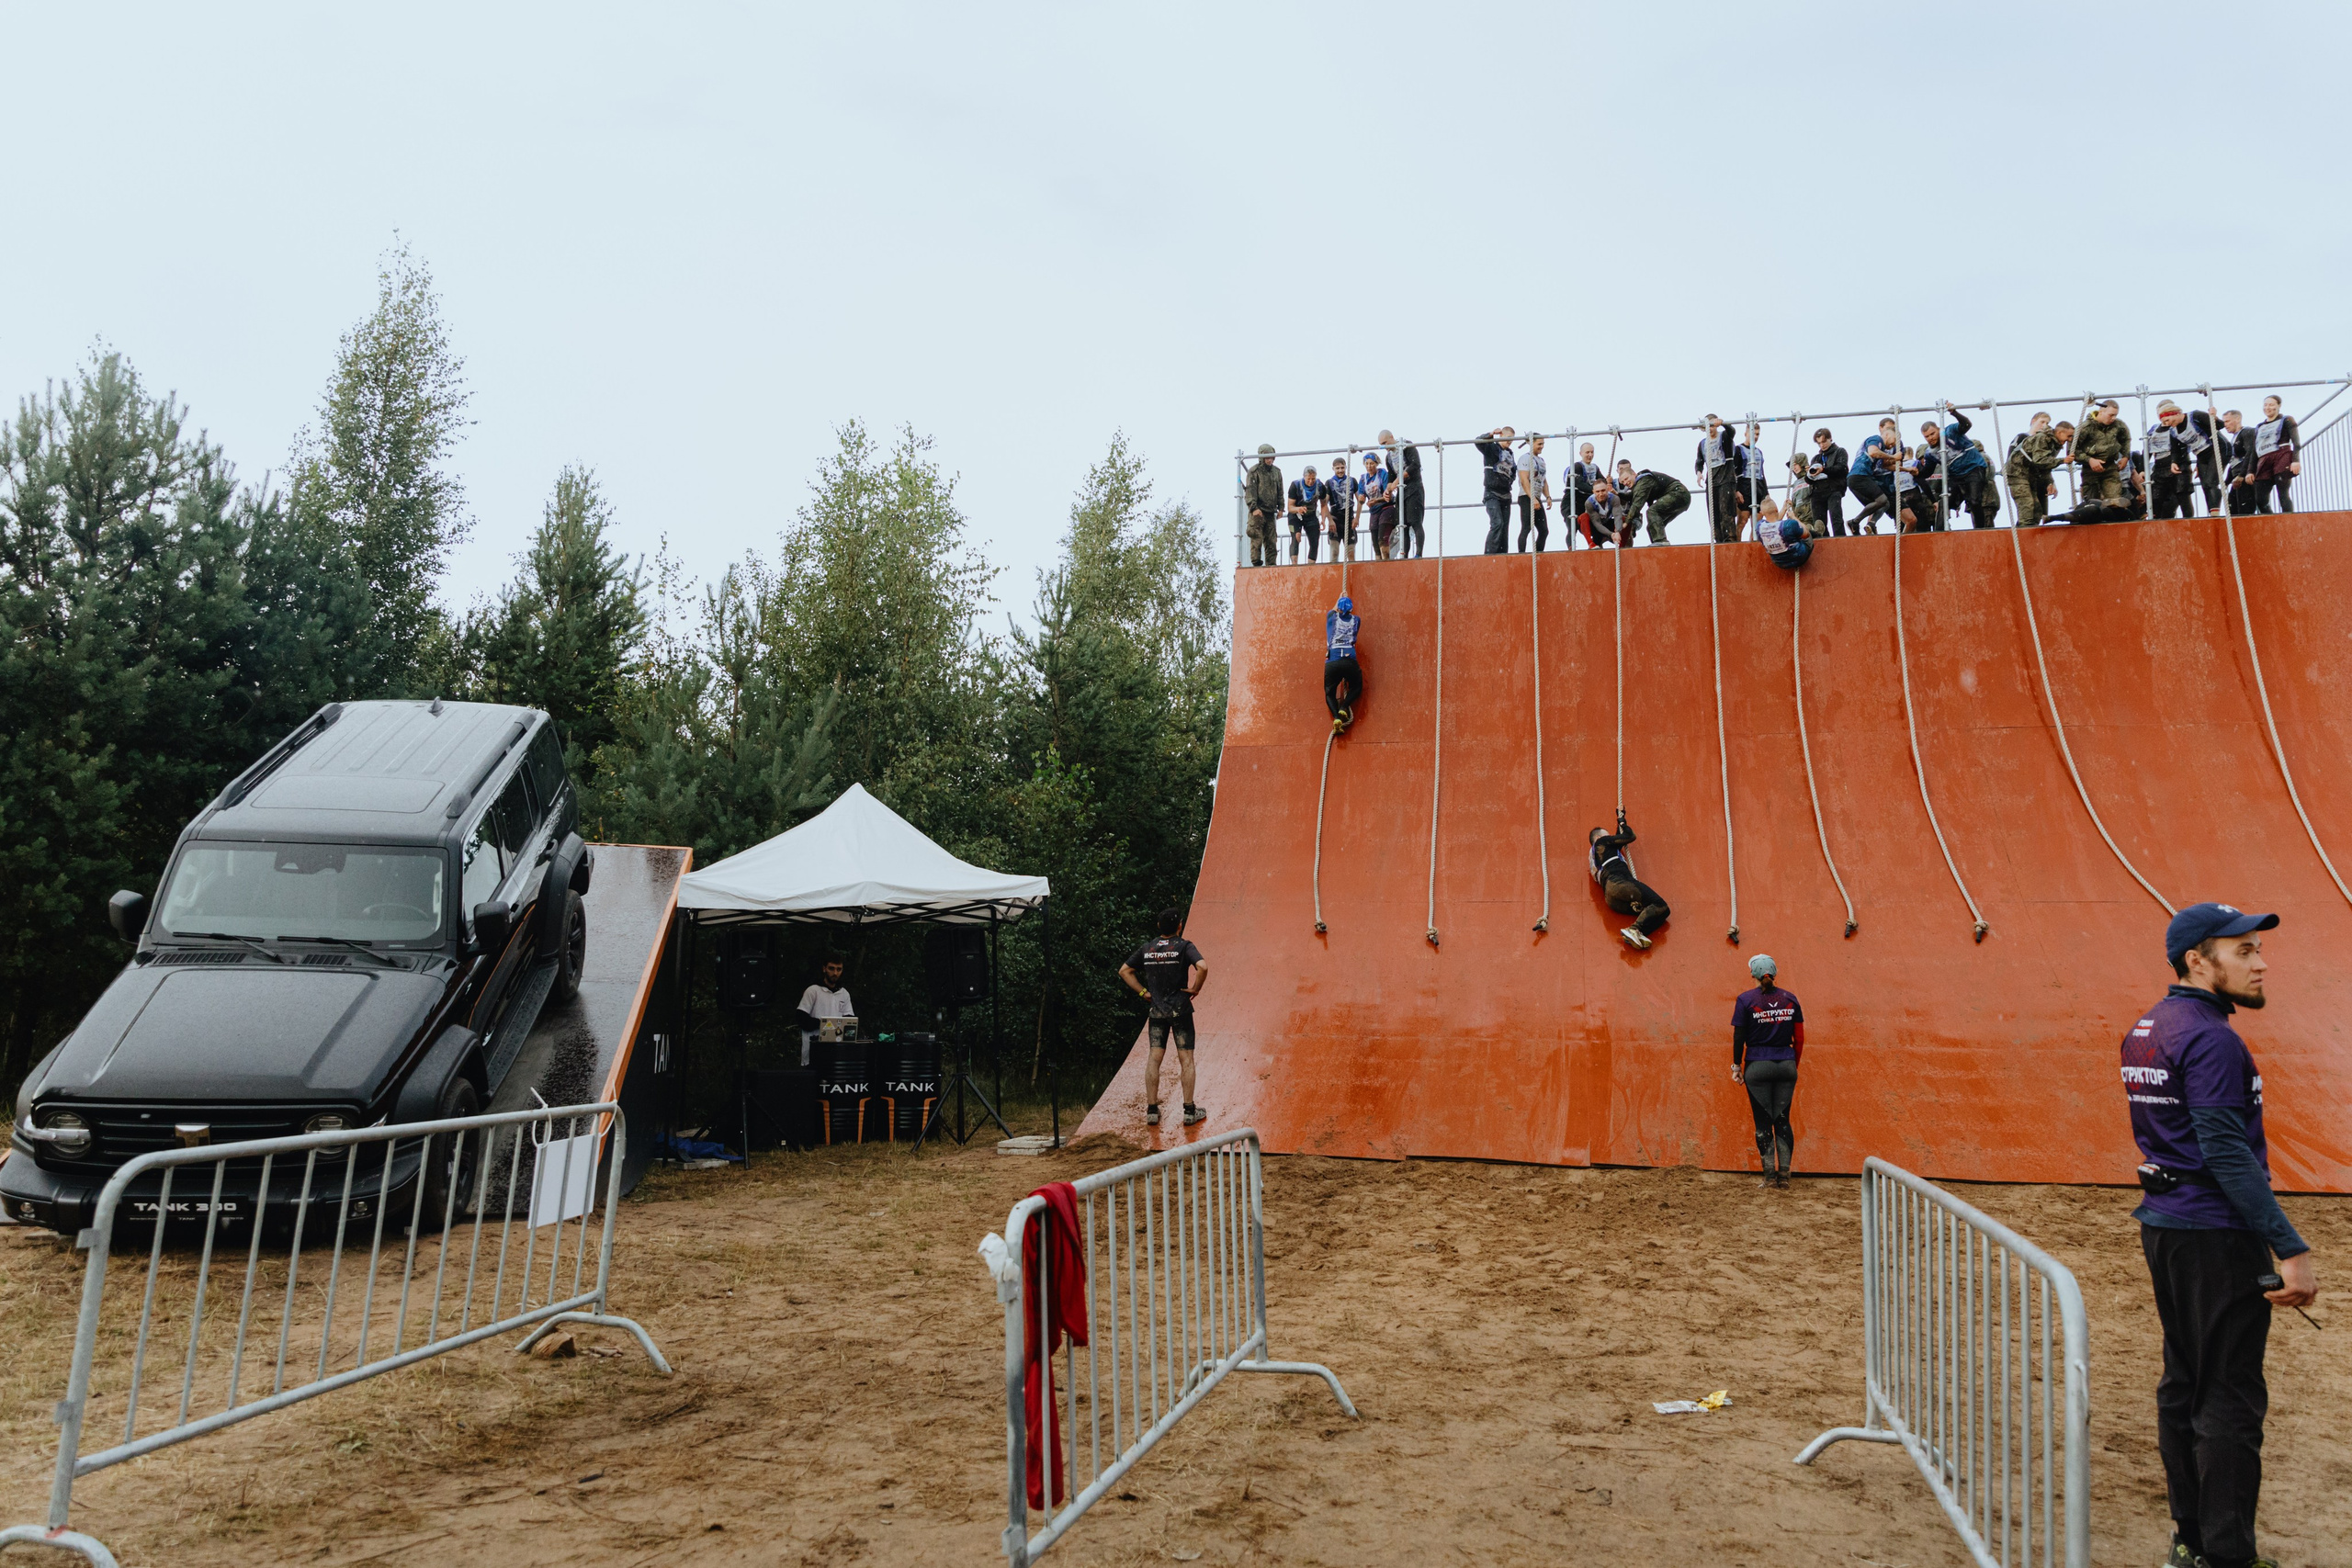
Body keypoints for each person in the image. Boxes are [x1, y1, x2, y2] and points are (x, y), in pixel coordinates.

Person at [2123, 902, 2318, 1568]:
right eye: (2243, 951)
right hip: (2215, 1235)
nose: (2261, 963)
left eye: (2260, 948)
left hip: (2168, 1227)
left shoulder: (2150, 1026)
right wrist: (2289, 1246)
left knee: (2184, 1382)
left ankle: (2192, 1539)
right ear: (2197, 961)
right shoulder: (2212, 1039)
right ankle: (2228, 1554)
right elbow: (2225, 1150)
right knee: (2227, 1396)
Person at [1119, 906, 1209, 1127]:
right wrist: (1196, 989)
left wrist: (1143, 993)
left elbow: (1124, 971)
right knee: (1186, 1059)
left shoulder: (1148, 948)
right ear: (1179, 926)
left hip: (1157, 1011)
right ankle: (1189, 1111)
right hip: (1181, 1010)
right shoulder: (1184, 946)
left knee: (1154, 1057)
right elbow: (1203, 967)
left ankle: (1152, 1110)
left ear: (1159, 926)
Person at [1730, 953, 1804, 1188]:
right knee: (1783, 1120)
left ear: (1752, 974)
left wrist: (1736, 1066)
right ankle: (1784, 1178)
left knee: (1763, 1123)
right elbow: (1800, 1039)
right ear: (1775, 972)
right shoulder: (1790, 999)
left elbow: (1739, 1037)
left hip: (1757, 1066)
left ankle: (1769, 1178)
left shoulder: (1745, 1000)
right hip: (1786, 1064)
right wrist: (1793, 1063)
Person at [1589, 810, 1669, 950]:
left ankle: (1636, 932)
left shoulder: (1596, 857)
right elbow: (1629, 836)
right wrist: (1622, 822)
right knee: (1660, 905)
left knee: (1656, 912)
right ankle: (1635, 929)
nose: (1611, 838)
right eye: (1608, 836)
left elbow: (1618, 842)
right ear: (1599, 838)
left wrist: (1620, 816)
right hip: (1620, 883)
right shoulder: (1601, 842)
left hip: (1611, 897)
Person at [1919, 404, 1997, 529]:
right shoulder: (1930, 453)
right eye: (1927, 437)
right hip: (1956, 476)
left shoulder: (1951, 431)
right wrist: (1915, 472)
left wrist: (1954, 412)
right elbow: (1927, 471)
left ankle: (1980, 530)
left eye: (1932, 434)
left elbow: (1967, 424)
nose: (1930, 438)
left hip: (1973, 468)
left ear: (1939, 429)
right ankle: (1939, 532)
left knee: (1974, 501)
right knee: (1944, 503)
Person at [2148, 400, 2219, 521]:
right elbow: (2147, 449)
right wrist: (2142, 469)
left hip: (2180, 465)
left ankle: (2190, 521)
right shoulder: (2154, 429)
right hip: (2160, 467)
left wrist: (2198, 460)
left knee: (2182, 495)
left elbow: (2194, 441)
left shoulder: (2179, 425)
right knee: (2157, 499)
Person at [2006, 413, 2073, 527]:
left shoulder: (2053, 444)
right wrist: (2063, 460)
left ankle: (2030, 534)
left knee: (2037, 511)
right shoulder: (2042, 438)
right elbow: (2040, 461)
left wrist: (2049, 482)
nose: (2069, 440)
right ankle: (2023, 537)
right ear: (2060, 433)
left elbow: (2044, 467)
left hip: (2030, 475)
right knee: (2027, 507)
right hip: (2018, 474)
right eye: (2069, 436)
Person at [794, 952, 855, 1068]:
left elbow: (849, 1022)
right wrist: (826, 1025)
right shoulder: (813, 991)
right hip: (813, 1054)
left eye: (839, 969)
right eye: (831, 969)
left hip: (836, 1055)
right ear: (824, 969)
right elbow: (801, 1019)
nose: (835, 973)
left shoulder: (844, 994)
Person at [1848, 418, 1903, 533]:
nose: (1893, 445)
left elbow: (1885, 466)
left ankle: (1869, 523)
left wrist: (1907, 468)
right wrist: (1893, 457)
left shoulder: (1881, 449)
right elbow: (1873, 452)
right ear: (1886, 434)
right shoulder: (1876, 439)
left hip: (1857, 479)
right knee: (1882, 500)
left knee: (1884, 503)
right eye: (1894, 440)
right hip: (1859, 476)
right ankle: (1855, 521)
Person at [2249, 395, 2301, 514]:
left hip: (2282, 455)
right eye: (2265, 405)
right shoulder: (2259, 427)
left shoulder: (2287, 420)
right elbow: (2254, 451)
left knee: (2282, 492)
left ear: (2278, 406)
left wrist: (2295, 460)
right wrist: (2250, 471)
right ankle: (2270, 519)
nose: (2268, 408)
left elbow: (2296, 443)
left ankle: (2289, 519)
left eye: (2271, 405)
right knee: (2261, 499)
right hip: (2264, 459)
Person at [1619, 460, 1691, 545]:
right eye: (1623, 482)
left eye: (1626, 479)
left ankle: (1661, 541)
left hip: (1678, 494)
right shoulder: (1639, 484)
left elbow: (1637, 504)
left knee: (1652, 511)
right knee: (1652, 527)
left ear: (1634, 474)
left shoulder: (1644, 480)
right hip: (1680, 498)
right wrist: (1616, 494)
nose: (1625, 483)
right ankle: (1658, 546)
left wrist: (1626, 522)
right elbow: (1632, 496)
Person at [2075, 400, 2132, 507]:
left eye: (2115, 415)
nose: (2113, 418)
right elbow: (2073, 451)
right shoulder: (2085, 427)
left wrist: (2125, 456)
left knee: (2115, 503)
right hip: (2090, 470)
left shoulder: (2119, 426)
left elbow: (2126, 440)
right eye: (2111, 415)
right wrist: (2090, 460)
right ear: (2101, 412)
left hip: (2110, 467)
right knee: (2091, 504)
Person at [1695, 414, 1739, 543]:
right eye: (1708, 426)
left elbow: (1732, 431)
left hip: (1726, 477)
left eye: (1712, 426)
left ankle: (1729, 539)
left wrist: (1723, 423)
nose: (1710, 429)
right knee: (1713, 514)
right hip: (1712, 480)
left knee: (1726, 511)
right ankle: (1718, 540)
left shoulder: (1724, 436)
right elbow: (1699, 461)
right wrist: (1699, 472)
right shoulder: (1703, 444)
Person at [1383, 430, 1427, 558]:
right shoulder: (1388, 457)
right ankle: (1405, 556)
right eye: (1382, 444)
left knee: (1415, 522)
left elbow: (1415, 466)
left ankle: (1418, 553)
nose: (1385, 447)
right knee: (1403, 526)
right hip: (1402, 493)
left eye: (1386, 443)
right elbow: (1391, 477)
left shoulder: (1407, 446)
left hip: (1414, 488)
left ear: (1392, 437)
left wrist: (1397, 480)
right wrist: (1388, 490)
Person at [1324, 593, 1362, 733]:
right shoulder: (1356, 620)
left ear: (1338, 609)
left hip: (1333, 661)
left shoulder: (1331, 617)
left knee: (1329, 693)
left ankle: (1336, 718)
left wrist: (1339, 598)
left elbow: (1334, 611)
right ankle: (1344, 707)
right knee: (1357, 686)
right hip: (1349, 660)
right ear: (1351, 610)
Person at [1476, 426, 1519, 554]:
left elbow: (1513, 471)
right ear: (1501, 436)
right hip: (1492, 493)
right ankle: (1489, 555)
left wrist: (1510, 481)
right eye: (1508, 438)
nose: (1510, 442)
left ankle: (1502, 555)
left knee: (1505, 528)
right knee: (1497, 523)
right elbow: (1478, 442)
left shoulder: (1510, 454)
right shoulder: (1492, 448)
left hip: (1506, 494)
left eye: (1512, 440)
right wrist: (1490, 434)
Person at [1807, 427, 1851, 538]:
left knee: (1836, 518)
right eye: (1819, 443)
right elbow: (1808, 480)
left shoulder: (1840, 451)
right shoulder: (1816, 458)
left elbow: (1842, 468)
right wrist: (1808, 473)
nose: (1822, 445)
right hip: (1817, 492)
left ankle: (1840, 541)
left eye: (1823, 441)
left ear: (1830, 439)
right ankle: (1824, 542)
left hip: (1834, 489)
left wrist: (1824, 469)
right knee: (1819, 522)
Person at [1244, 445, 1283, 568]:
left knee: (1271, 540)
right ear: (1261, 457)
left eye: (1272, 457)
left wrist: (1281, 507)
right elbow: (1250, 491)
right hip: (1258, 511)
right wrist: (1254, 508)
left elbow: (1280, 490)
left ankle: (1271, 564)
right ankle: (1256, 564)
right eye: (1267, 457)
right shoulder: (1254, 471)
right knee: (1257, 538)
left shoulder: (1277, 472)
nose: (1270, 460)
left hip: (1270, 512)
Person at [2219, 410, 2260, 515]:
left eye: (2228, 421)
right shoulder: (2234, 438)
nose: (2225, 425)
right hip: (2236, 478)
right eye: (2224, 422)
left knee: (2245, 509)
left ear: (2238, 419)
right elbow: (2234, 462)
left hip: (2245, 477)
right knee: (2233, 509)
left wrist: (2242, 475)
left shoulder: (2247, 432)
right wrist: (2227, 481)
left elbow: (2250, 453)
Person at [1753, 496, 1812, 570]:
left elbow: (1774, 524)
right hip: (1799, 557)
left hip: (1778, 562)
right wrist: (1794, 517)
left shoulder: (1759, 527)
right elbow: (1806, 534)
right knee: (1806, 532)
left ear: (1762, 513)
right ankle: (1816, 532)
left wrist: (1784, 508)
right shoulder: (1789, 524)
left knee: (1791, 533)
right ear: (1776, 509)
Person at [1517, 432, 1552, 552]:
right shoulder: (1525, 458)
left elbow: (1544, 481)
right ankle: (1521, 554)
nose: (1542, 446)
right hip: (1526, 497)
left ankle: (1538, 553)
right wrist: (1532, 498)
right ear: (1531, 443)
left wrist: (1548, 497)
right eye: (1539, 444)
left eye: (1543, 444)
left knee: (1544, 530)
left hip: (1537, 497)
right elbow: (1524, 480)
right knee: (1527, 527)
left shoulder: (1541, 460)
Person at [1360, 451, 1397, 559]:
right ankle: (1378, 564)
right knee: (1375, 542)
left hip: (1386, 507)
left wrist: (1376, 500)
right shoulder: (1363, 479)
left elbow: (1388, 495)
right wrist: (1361, 499)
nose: (1369, 466)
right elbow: (1361, 496)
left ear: (1376, 463)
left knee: (1382, 538)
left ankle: (1386, 563)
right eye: (1367, 463)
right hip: (1374, 511)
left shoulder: (1382, 474)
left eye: (1372, 463)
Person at [1285, 464, 1323, 564]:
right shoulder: (1295, 485)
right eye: (1308, 479)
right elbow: (1290, 507)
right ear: (1304, 477)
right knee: (1296, 537)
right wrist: (1298, 509)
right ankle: (1294, 565)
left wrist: (1324, 519)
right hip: (1296, 515)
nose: (1311, 482)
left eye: (1313, 479)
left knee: (1315, 540)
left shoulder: (1320, 485)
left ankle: (1310, 565)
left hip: (1311, 515)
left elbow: (1324, 504)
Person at [1567, 441, 1604, 543]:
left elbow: (1602, 480)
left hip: (1587, 499)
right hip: (1574, 500)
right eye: (1587, 452)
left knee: (1596, 523)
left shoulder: (1595, 467)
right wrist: (1595, 491)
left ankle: (1596, 545)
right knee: (1573, 525)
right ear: (1581, 453)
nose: (1590, 455)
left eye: (1592, 452)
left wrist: (1608, 483)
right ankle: (1571, 549)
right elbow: (1579, 484)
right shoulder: (1577, 466)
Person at [1582, 472, 1629, 548]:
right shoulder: (1589, 503)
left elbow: (1617, 516)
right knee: (1583, 517)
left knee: (1625, 520)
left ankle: (1622, 546)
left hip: (1607, 522)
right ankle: (1591, 543)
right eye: (1597, 491)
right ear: (1593, 492)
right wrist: (1611, 534)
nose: (1601, 494)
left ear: (1607, 489)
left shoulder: (1614, 498)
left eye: (1603, 490)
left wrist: (1617, 531)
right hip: (1595, 526)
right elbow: (1597, 523)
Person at [1737, 423, 1770, 530]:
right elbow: (1734, 472)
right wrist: (1736, 490)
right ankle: (1738, 546)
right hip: (1744, 486)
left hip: (1759, 486)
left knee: (1758, 524)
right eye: (1753, 434)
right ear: (1746, 433)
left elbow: (1762, 472)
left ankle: (1754, 545)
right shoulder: (1738, 449)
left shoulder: (1759, 452)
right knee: (1743, 520)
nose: (1755, 437)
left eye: (1757, 434)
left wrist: (1766, 493)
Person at [1323, 458, 1357, 562]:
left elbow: (1360, 499)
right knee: (1334, 552)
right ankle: (1334, 575)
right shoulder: (1329, 483)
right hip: (1335, 520)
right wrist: (1329, 520)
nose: (1340, 470)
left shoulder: (1352, 481)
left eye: (1342, 468)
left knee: (1351, 553)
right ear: (1333, 469)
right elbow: (1324, 503)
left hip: (1349, 519)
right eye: (1337, 468)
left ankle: (1352, 573)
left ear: (1346, 467)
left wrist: (1357, 518)